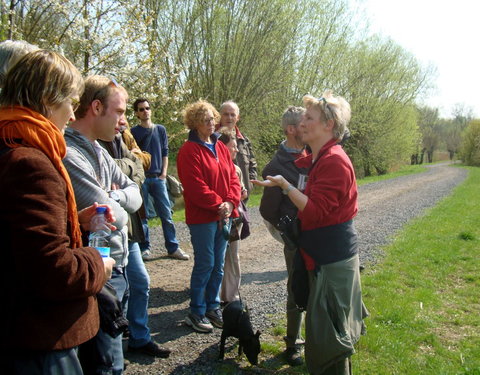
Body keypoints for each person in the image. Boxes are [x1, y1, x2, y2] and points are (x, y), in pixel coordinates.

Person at [0, 49, 114, 374]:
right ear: (50, 99)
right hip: (37, 344)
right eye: (71, 102)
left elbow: (17, 237)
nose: (71, 113)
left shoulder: (7, 142)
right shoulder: (30, 162)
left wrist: (73, 221)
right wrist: (98, 263)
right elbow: (52, 271)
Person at [253, 91, 368, 375]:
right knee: (324, 333)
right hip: (321, 257)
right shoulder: (319, 158)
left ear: (328, 125)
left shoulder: (334, 161)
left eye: (309, 117)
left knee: (330, 339)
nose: (301, 122)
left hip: (331, 260)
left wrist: (286, 187)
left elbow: (315, 211)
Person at [63, 75, 143, 375]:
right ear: (96, 107)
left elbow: (135, 195)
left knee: (115, 356)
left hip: (115, 268)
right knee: (105, 364)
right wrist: (115, 203)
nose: (123, 122)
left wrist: (114, 196)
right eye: (120, 111)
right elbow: (116, 216)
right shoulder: (70, 154)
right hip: (96, 275)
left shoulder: (99, 150)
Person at [98, 118, 171, 358]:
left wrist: (126, 172)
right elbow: (119, 169)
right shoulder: (94, 141)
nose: (121, 122)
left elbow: (139, 170)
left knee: (139, 284)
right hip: (105, 234)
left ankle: (139, 338)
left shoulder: (122, 138)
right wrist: (130, 167)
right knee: (114, 291)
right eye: (117, 114)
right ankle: (114, 350)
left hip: (130, 230)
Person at [177, 100, 241, 333]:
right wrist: (219, 204)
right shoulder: (188, 150)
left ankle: (213, 306)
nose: (211, 123)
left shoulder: (220, 147)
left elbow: (233, 177)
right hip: (203, 218)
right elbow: (194, 187)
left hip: (223, 214)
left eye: (212, 118)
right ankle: (196, 310)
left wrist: (231, 202)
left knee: (219, 266)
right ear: (194, 123)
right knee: (206, 264)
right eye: (206, 120)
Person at [259, 106, 309, 367]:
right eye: (303, 123)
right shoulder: (276, 166)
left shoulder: (313, 153)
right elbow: (266, 210)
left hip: (319, 234)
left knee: (320, 288)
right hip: (296, 239)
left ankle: (320, 340)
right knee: (297, 289)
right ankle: (293, 344)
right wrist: (287, 232)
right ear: (291, 129)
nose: (307, 127)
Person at [131, 98, 189, 261]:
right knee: (142, 216)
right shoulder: (133, 132)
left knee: (166, 214)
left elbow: (165, 152)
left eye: (147, 108)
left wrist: (163, 174)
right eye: (141, 109)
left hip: (158, 178)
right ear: (136, 113)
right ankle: (145, 248)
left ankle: (173, 247)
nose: (145, 111)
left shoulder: (160, 130)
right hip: (142, 179)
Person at [217, 127, 248, 304]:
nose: (236, 149)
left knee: (228, 257)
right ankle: (229, 296)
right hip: (230, 218)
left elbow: (241, 191)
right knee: (229, 258)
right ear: (223, 146)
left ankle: (226, 294)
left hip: (234, 218)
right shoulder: (230, 168)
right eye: (233, 146)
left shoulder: (236, 168)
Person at [217, 100, 257, 197]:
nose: (229, 118)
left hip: (244, 196)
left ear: (237, 117)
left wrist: (250, 184)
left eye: (232, 115)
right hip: (224, 196)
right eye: (226, 114)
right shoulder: (213, 139)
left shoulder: (244, 140)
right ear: (219, 116)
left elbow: (252, 163)